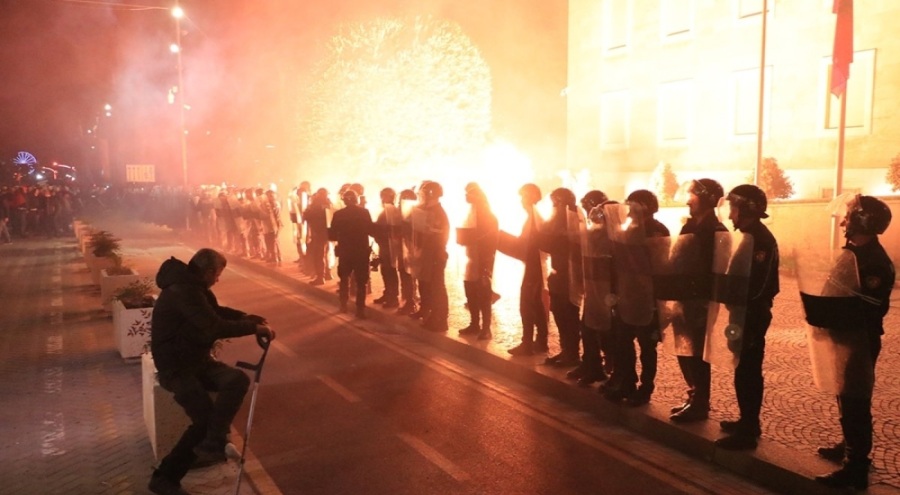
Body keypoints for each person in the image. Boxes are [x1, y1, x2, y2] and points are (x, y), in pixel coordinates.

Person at [148, 248, 275, 495]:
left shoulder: (192, 286)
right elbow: (211, 326)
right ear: (208, 272)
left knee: (236, 380)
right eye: (217, 274)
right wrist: (252, 328)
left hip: (196, 361)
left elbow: (214, 311)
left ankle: (213, 443)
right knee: (203, 420)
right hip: (176, 368)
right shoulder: (182, 290)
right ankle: (165, 477)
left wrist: (246, 317)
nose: (218, 279)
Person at [812, 195, 894, 490]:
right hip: (844, 335)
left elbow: (867, 308)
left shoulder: (873, 262)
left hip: (859, 339)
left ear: (862, 221)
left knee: (856, 400)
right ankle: (849, 445)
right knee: (844, 393)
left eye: (848, 216)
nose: (844, 221)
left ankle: (856, 465)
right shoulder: (856, 253)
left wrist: (834, 314)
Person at [714, 185, 780, 450]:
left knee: (749, 369)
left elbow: (761, 284)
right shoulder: (746, 236)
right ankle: (746, 419)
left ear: (747, 209)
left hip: (751, 313)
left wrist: (744, 307)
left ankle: (750, 427)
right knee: (742, 366)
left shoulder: (759, 240)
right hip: (741, 311)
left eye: (734, 208)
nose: (730, 215)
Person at [668, 178, 728, 423]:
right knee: (683, 349)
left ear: (707, 200)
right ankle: (693, 394)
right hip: (683, 296)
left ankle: (701, 401)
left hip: (700, 299)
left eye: (693, 197)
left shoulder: (716, 231)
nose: (688, 201)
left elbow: (718, 268)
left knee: (697, 353)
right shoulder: (690, 226)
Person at [614, 190, 670, 406]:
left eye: (633, 205)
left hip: (649, 297)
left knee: (647, 345)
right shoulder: (629, 228)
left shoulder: (656, 230)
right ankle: (627, 381)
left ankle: (646, 388)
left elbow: (659, 262)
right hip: (629, 294)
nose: (629, 209)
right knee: (623, 340)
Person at [568, 190, 612, 387]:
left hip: (606, 289)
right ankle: (591, 364)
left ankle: (606, 366)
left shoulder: (610, 232)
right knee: (587, 327)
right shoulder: (593, 230)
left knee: (604, 331)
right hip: (594, 285)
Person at [539, 187, 582, 367]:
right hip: (557, 272)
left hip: (569, 274)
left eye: (555, 202)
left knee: (568, 315)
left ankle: (572, 353)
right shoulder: (556, 219)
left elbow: (563, 244)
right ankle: (566, 350)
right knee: (558, 312)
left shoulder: (573, 218)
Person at [506, 183, 550, 356]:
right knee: (536, 304)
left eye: (523, 196)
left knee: (527, 304)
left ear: (531, 197)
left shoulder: (534, 217)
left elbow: (530, 245)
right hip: (533, 266)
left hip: (534, 267)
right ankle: (540, 341)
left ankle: (528, 343)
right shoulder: (533, 216)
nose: (521, 200)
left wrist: (505, 241)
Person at [457, 182, 499, 341]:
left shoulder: (489, 217)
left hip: (483, 260)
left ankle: (486, 328)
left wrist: (486, 266)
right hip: (471, 258)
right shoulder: (470, 214)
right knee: (470, 292)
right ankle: (474, 323)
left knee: (483, 295)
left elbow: (491, 240)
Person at [329, 189, 374, 318]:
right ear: (356, 199)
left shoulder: (338, 214)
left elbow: (332, 235)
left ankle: (343, 305)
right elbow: (371, 230)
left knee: (344, 279)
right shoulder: (364, 212)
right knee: (361, 282)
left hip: (345, 251)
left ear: (344, 200)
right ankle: (360, 310)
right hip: (361, 252)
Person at [414, 181, 451, 332]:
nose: (421, 197)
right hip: (429, 256)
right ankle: (432, 316)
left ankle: (440, 320)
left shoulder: (436, 213)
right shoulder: (429, 211)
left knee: (437, 288)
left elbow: (435, 237)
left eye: (423, 194)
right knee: (430, 286)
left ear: (430, 195)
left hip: (435, 256)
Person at [372, 187, 402, 308]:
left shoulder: (393, 211)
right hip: (383, 245)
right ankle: (387, 293)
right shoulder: (385, 211)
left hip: (389, 246)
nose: (383, 198)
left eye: (386, 196)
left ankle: (393, 297)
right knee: (385, 271)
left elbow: (391, 228)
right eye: (382, 196)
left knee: (390, 271)